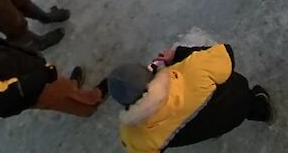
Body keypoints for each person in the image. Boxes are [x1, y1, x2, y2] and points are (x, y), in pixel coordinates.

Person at [105, 43, 272, 152]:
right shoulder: (192, 69)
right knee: (247, 102)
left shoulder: (133, 135)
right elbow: (225, 52)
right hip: (238, 104)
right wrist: (178, 54)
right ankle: (263, 111)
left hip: (210, 129)